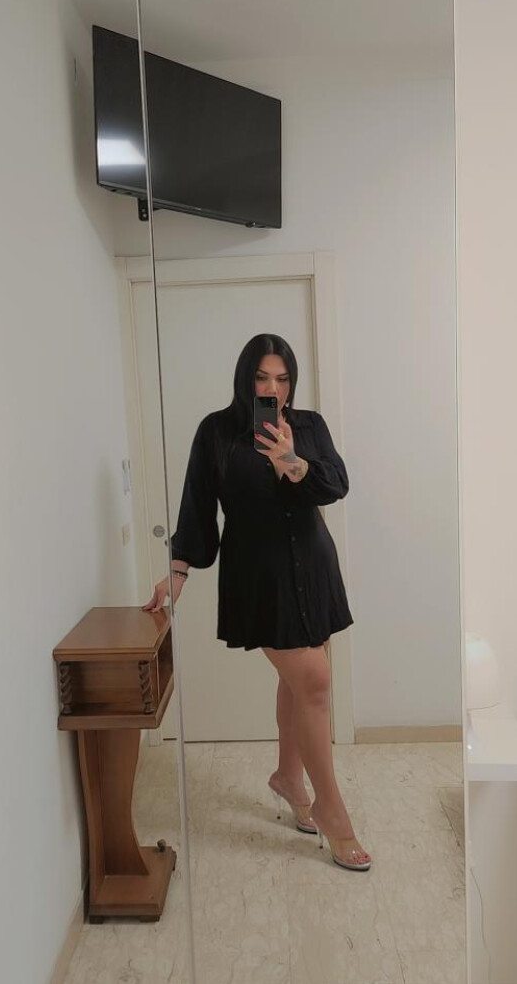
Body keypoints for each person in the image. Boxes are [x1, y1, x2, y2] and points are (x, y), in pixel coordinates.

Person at [142, 333, 371, 870]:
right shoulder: (217, 432)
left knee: (299, 682)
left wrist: (293, 461)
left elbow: (336, 484)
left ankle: (289, 777)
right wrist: (178, 570)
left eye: (282, 379)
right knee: (314, 681)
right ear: (246, 379)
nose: (273, 388)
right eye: (262, 377)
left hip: (313, 566)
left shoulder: (308, 426)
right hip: (259, 577)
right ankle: (332, 812)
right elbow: (198, 504)